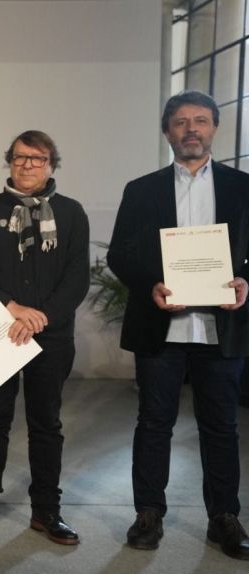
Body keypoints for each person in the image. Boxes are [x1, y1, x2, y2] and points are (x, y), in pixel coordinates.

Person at [107, 90, 249, 561]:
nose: (192, 130)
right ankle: (148, 513)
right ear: (167, 131)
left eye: (201, 121)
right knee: (154, 423)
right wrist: (151, 284)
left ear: (214, 128)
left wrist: (246, 280)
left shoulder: (243, 187)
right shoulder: (141, 189)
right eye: (182, 122)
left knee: (221, 426)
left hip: (221, 327)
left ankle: (224, 516)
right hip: (160, 327)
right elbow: (120, 253)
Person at [0, 130, 89, 545]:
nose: (27, 164)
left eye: (37, 158)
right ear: (9, 161)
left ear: (51, 164)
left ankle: (47, 510)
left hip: (52, 333)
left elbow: (77, 278)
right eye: (19, 157)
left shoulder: (71, 213)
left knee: (46, 423)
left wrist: (39, 317)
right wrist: (11, 307)